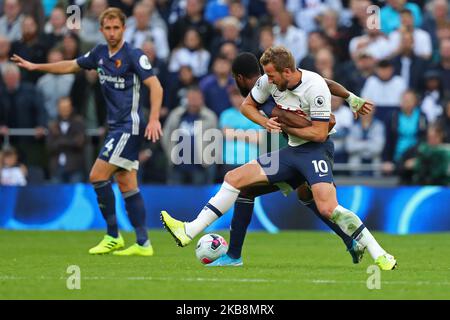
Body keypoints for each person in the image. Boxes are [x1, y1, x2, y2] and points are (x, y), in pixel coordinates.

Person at [161, 48, 397, 271]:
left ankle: (380, 254)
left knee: (327, 207)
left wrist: (291, 124)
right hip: (291, 153)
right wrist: (266, 122)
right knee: (237, 181)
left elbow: (319, 133)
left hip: (316, 151)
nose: (267, 80)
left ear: (287, 72)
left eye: (271, 75)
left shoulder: (313, 87)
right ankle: (191, 232)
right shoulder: (271, 80)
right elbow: (247, 106)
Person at [11, 7, 163, 256]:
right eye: (108, 28)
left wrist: (155, 118)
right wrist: (36, 66)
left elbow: (155, 86)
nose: (112, 33)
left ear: (124, 28)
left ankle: (113, 235)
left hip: (130, 127)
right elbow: (71, 65)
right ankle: (143, 242)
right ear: (101, 30)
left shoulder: (134, 55)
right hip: (115, 127)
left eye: (117, 28)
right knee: (126, 183)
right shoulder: (100, 53)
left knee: (97, 175)